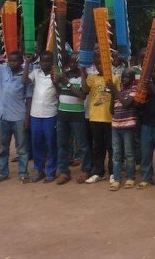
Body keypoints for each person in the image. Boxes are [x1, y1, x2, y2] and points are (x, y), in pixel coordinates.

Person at [0, 40, 31, 183]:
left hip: (19, 117)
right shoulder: (2, 69)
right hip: (1, 116)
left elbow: (29, 99)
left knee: (21, 148)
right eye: (10, 60)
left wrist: (27, 119)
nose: (12, 63)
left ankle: (23, 173)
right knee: (2, 147)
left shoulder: (27, 76)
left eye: (15, 61)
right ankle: (3, 173)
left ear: (21, 62)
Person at [22, 51, 58, 183]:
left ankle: (51, 171)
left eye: (48, 61)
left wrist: (56, 80)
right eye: (43, 61)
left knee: (51, 144)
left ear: (52, 62)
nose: (45, 63)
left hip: (50, 115)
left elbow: (59, 92)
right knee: (36, 144)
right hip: (35, 115)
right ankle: (39, 169)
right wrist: (27, 62)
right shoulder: (36, 73)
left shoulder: (56, 75)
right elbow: (24, 80)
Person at [54, 52, 90, 184]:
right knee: (62, 144)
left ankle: (86, 170)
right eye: (72, 61)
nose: (74, 64)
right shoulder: (65, 75)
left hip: (77, 115)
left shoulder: (83, 76)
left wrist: (67, 84)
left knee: (82, 145)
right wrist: (57, 82)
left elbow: (82, 95)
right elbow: (58, 92)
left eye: (77, 62)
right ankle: (64, 172)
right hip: (62, 114)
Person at [84, 52, 118, 184]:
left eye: (102, 64)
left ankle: (113, 171)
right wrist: (83, 71)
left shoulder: (114, 79)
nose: (100, 66)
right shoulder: (92, 78)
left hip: (109, 118)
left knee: (111, 146)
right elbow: (85, 90)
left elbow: (117, 97)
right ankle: (98, 172)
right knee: (98, 146)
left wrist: (113, 89)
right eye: (97, 64)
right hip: (95, 118)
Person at [107, 67, 138, 190]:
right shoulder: (118, 92)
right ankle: (117, 178)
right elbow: (111, 110)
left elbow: (126, 103)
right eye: (123, 77)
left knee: (129, 154)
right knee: (116, 154)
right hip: (115, 126)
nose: (124, 79)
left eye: (127, 77)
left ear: (132, 79)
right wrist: (112, 95)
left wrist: (114, 90)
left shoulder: (134, 90)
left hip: (128, 127)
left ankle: (130, 177)